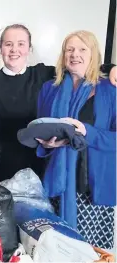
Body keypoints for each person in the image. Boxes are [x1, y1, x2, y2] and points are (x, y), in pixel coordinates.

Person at [0, 24, 116, 182]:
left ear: (29, 49)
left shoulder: (44, 74)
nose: (14, 49)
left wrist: (111, 68)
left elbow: (81, 65)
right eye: (8, 44)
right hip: (9, 166)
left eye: (21, 44)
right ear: (1, 47)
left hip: (44, 166)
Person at [36, 30, 116, 249]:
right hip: (56, 184)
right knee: (56, 250)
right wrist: (47, 143)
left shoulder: (110, 90)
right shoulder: (49, 89)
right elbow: (41, 128)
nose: (75, 54)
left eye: (82, 49)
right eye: (69, 49)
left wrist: (86, 132)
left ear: (93, 55)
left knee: (90, 252)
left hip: (93, 187)